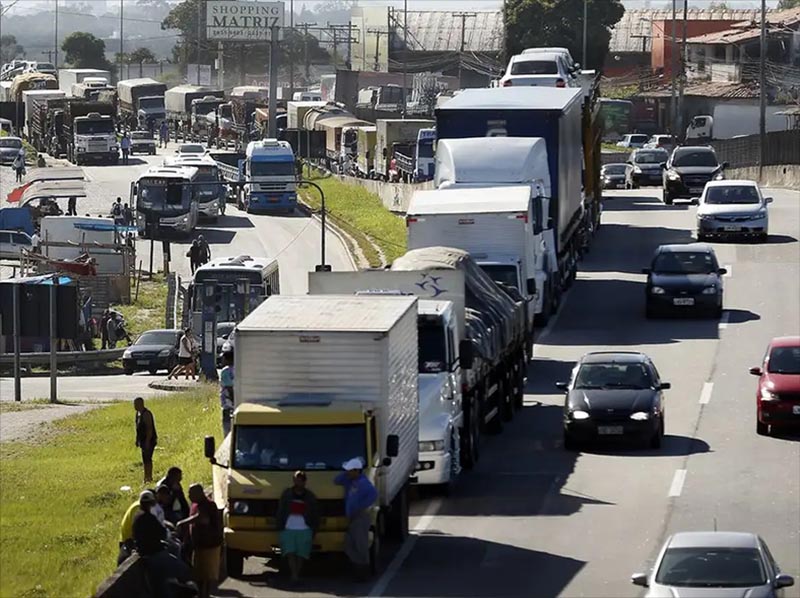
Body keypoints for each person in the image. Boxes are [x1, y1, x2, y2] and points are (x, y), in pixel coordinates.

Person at [334, 457, 378, 580]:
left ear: (356, 471)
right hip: (353, 517)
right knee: (349, 544)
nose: (347, 472)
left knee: (360, 545)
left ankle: (363, 572)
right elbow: (336, 480)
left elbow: (373, 494)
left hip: (361, 516)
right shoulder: (350, 481)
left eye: (349, 470)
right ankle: (359, 567)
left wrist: (361, 506)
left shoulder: (363, 483)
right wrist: (345, 474)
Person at [177, 484, 222, 598]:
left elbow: (203, 519)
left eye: (191, 494)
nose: (189, 496)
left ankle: (204, 595)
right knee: (198, 574)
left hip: (209, 545)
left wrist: (182, 523)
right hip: (198, 545)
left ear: (199, 493)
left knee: (206, 575)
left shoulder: (209, 505)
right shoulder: (195, 505)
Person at [276, 471, 319, 583]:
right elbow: (281, 510)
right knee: (290, 552)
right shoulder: (286, 494)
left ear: (304, 482)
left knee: (301, 554)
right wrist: (279, 524)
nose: (297, 482)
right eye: (295, 480)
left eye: (300, 480)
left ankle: (296, 573)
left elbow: (314, 512)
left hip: (304, 528)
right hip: (288, 527)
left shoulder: (310, 496)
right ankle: (294, 575)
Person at [134, 397, 158, 484]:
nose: (135, 406)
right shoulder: (138, 414)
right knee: (144, 459)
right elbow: (137, 428)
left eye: (136, 404)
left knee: (148, 459)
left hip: (149, 440)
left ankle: (149, 477)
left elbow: (149, 429)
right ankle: (146, 477)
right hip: (143, 440)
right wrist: (137, 439)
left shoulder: (146, 414)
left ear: (141, 404)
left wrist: (148, 441)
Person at [219, 350, 234, 438]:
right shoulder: (238, 369)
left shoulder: (225, 371)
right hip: (237, 404)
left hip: (228, 404)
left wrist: (233, 399)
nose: (222, 360)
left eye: (223, 358)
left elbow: (229, 387)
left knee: (227, 430)